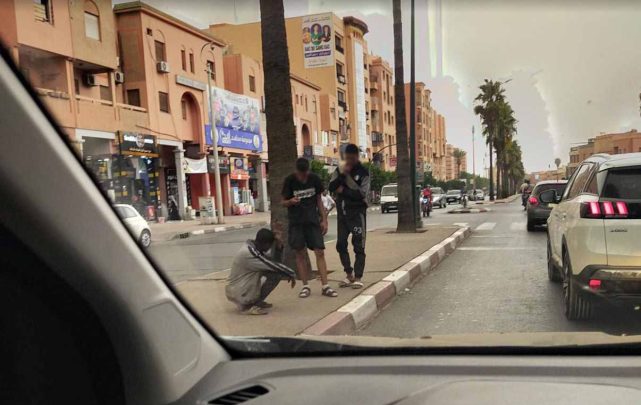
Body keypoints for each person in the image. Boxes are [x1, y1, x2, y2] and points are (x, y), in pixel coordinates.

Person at [282, 158, 338, 298]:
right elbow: (283, 202)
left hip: (312, 221)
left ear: (308, 171)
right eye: (301, 174)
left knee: (320, 252)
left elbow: (319, 200)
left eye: (305, 174)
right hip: (296, 223)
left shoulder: (314, 179)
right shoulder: (289, 181)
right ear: (296, 171)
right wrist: (290, 201)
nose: (303, 177)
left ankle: (325, 286)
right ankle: (305, 286)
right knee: (300, 253)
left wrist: (324, 220)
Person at [225, 229, 296, 315]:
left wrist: (278, 246)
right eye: (270, 245)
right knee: (275, 274)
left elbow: (273, 263)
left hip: (239, 288)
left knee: (274, 273)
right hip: (238, 291)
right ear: (266, 244)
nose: (269, 248)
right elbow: (272, 265)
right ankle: (247, 306)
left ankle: (254, 302)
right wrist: (291, 273)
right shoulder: (249, 253)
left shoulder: (254, 248)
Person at [329, 144, 370, 289]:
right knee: (340, 244)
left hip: (357, 214)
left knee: (359, 246)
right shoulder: (339, 170)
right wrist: (342, 175)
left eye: (352, 159)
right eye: (347, 158)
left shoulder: (363, 172)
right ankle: (348, 274)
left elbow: (361, 194)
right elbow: (331, 187)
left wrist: (343, 190)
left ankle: (358, 277)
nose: (349, 161)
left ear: (357, 157)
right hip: (342, 214)